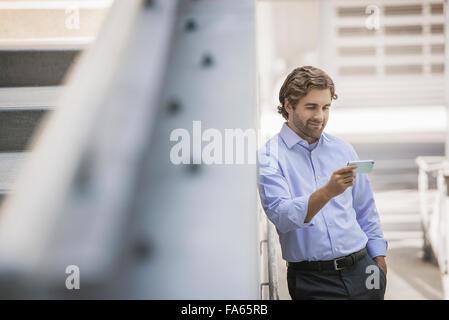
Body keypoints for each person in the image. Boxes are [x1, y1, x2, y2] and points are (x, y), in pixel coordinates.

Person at [257, 66, 388, 300]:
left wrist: (378, 258)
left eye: (326, 107)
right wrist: (327, 192)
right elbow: (282, 216)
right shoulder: (270, 157)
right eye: (311, 107)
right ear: (288, 106)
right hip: (313, 281)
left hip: (364, 270)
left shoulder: (343, 149)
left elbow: (366, 209)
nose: (320, 116)